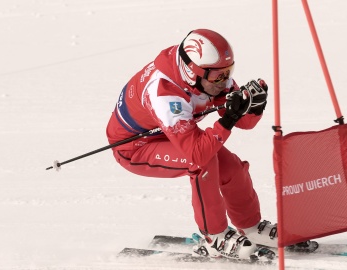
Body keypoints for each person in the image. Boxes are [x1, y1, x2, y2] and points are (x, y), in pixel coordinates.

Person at [106, 29, 277, 260]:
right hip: (137, 146)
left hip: (175, 133)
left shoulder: (210, 78)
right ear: (191, 72)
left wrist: (253, 107)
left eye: (229, 72)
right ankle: (214, 237)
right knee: (204, 162)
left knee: (232, 168)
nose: (225, 81)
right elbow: (196, 154)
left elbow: (243, 122)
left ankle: (250, 227)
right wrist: (227, 120)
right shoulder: (164, 94)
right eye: (218, 75)